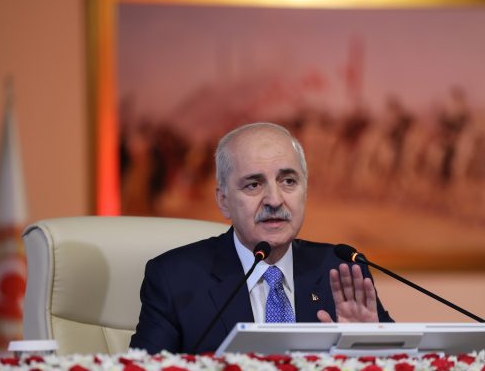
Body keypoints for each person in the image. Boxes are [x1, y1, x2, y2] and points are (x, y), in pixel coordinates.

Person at [130, 122, 392, 354]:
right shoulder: (175, 278)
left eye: (288, 181)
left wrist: (372, 349)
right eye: (253, 185)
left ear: (305, 192)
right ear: (223, 201)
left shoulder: (342, 269)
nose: (274, 200)